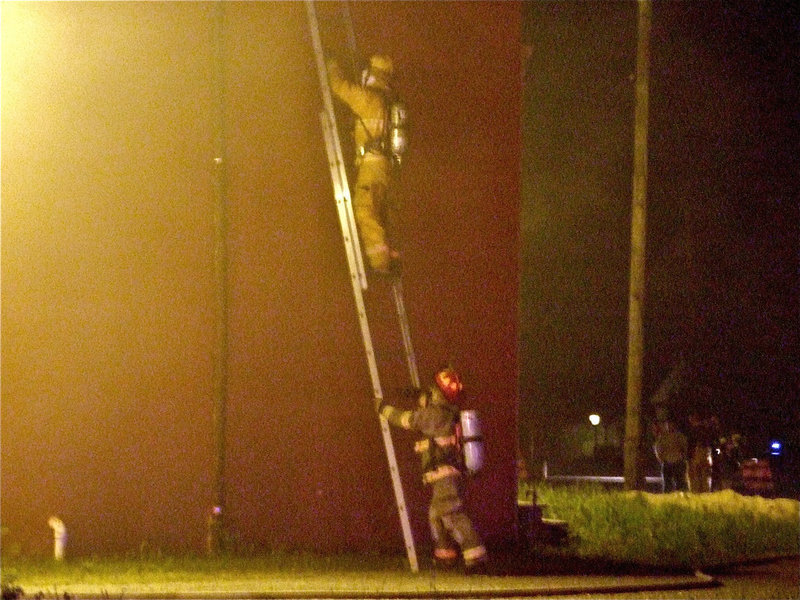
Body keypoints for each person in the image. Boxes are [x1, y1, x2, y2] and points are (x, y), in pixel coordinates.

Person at [376, 368, 488, 571]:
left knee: (451, 513)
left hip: (445, 474)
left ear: (436, 394)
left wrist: (383, 408)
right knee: (436, 515)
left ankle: (476, 558)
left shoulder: (433, 415)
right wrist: (416, 393)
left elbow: (406, 419)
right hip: (446, 474)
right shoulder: (446, 413)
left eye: (430, 391)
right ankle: (445, 557)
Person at [327, 54, 401, 276]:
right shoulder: (387, 103)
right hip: (384, 169)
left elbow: (339, 87)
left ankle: (381, 262)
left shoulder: (370, 99)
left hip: (371, 167)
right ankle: (389, 253)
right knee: (379, 214)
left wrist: (331, 66)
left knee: (364, 211)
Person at [653, 419, 689, 493]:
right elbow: (658, 448)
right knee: (667, 482)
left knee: (680, 481)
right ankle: (667, 495)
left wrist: (682, 456)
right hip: (667, 462)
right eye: (668, 425)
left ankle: (680, 495)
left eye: (671, 424)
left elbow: (684, 447)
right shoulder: (662, 437)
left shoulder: (679, 436)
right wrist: (661, 458)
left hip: (677, 461)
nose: (669, 426)